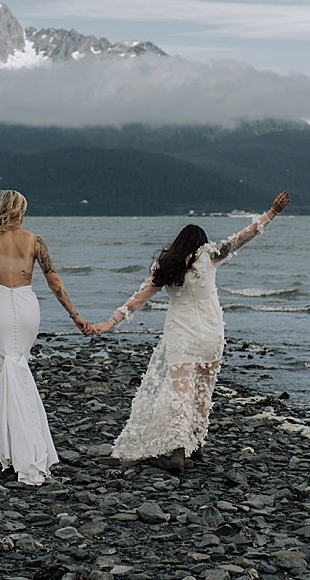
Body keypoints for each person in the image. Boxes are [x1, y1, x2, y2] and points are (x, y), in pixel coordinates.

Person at [92, 191, 290, 474]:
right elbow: (245, 236)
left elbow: (137, 300)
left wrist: (108, 323)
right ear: (201, 243)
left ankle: (180, 449)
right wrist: (272, 212)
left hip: (181, 336)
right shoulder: (210, 256)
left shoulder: (165, 267)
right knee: (203, 392)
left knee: (180, 393)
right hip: (211, 334)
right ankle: (197, 443)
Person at [0, 190, 87, 486]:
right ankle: (7, 447)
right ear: (21, 210)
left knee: (3, 377)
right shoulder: (35, 241)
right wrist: (75, 315)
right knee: (18, 369)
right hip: (27, 306)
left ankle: (13, 450)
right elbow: (53, 280)